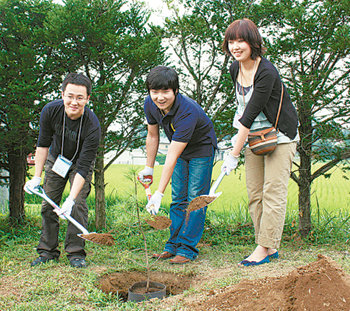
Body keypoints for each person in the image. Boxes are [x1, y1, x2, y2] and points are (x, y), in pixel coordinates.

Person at [221, 19, 299, 266]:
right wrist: (237, 139)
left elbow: (251, 111)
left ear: (253, 42)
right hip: (254, 137)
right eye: (231, 41)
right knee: (255, 193)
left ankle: (263, 247)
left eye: (241, 40)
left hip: (281, 135)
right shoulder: (235, 68)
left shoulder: (266, 71)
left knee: (273, 193)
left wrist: (233, 154)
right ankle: (267, 245)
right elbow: (240, 107)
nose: (236, 46)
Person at [138, 66, 217, 264]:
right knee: (178, 198)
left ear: (175, 91)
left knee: (195, 199)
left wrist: (159, 192)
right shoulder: (150, 104)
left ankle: (187, 249)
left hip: (201, 149)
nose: (160, 97)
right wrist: (148, 168)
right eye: (155, 92)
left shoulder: (186, 110)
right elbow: (152, 135)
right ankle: (172, 245)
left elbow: (171, 156)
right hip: (180, 148)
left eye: (165, 91)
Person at [24, 73, 101, 268]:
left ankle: (76, 253)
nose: (74, 102)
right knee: (48, 204)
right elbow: (42, 145)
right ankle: (47, 251)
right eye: (70, 96)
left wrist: (71, 198)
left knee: (77, 206)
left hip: (80, 165)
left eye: (80, 97)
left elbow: (84, 167)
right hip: (57, 160)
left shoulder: (92, 126)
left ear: (87, 99)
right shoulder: (50, 111)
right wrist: (37, 177)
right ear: (62, 94)